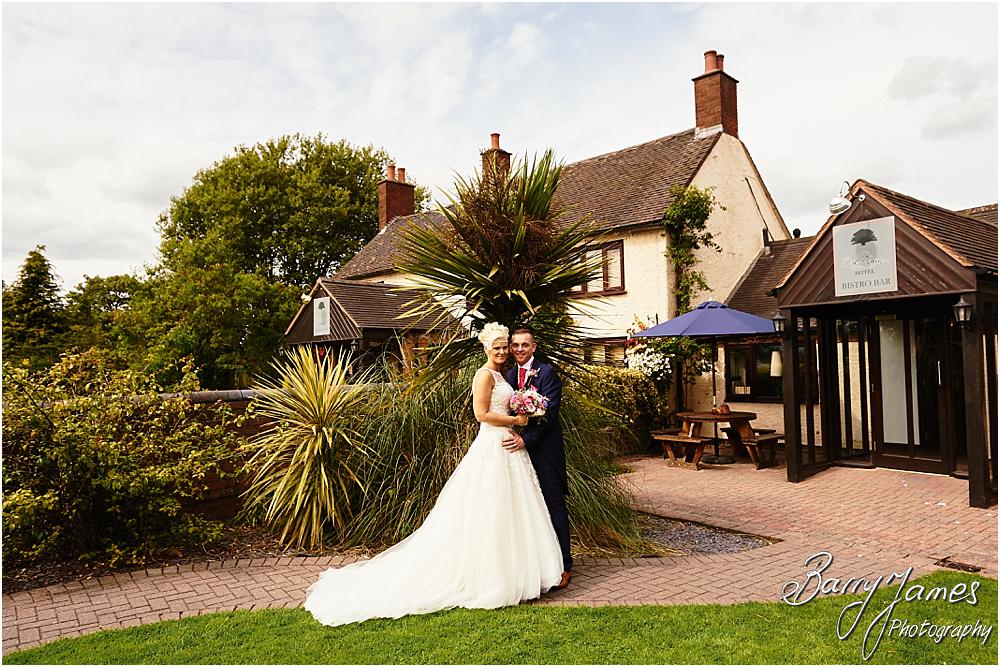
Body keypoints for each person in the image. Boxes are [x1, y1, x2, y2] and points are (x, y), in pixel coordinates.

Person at [303, 322, 563, 627]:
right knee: (489, 508)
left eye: (505, 346)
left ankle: (521, 572)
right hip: (493, 443)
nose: (503, 351)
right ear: (485, 349)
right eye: (498, 347)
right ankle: (493, 578)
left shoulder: (502, 375)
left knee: (513, 509)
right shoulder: (483, 375)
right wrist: (517, 420)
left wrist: (520, 415)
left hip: (509, 447)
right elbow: (481, 414)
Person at [502, 328, 573, 589]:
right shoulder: (509, 376)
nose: (519, 349)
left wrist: (526, 440)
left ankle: (565, 565)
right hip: (514, 454)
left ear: (534, 347)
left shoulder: (547, 372)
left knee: (553, 504)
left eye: (525, 345)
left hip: (544, 451)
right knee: (524, 508)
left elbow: (549, 414)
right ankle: (536, 565)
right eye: (515, 345)